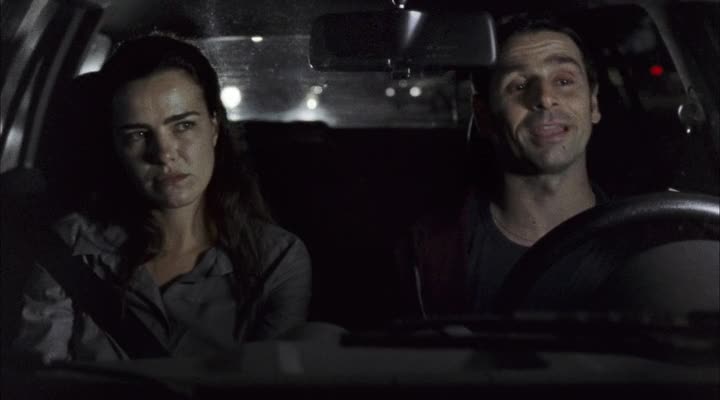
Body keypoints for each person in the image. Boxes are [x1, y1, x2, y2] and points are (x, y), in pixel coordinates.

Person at [13, 34, 311, 363]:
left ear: (214, 127)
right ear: (115, 145)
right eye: (138, 134)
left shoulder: (275, 259)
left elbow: (272, 379)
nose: (163, 153)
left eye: (183, 125)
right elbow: (43, 376)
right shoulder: (70, 246)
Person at [394, 13, 626, 318]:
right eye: (518, 86)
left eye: (564, 81)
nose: (545, 98)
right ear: (484, 116)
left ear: (593, 105)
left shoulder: (643, 242)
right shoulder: (431, 250)